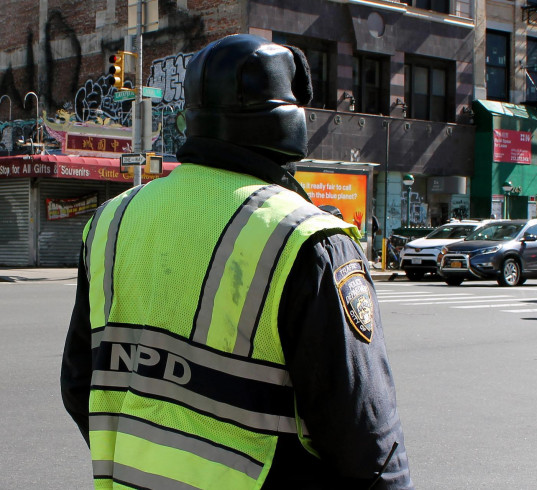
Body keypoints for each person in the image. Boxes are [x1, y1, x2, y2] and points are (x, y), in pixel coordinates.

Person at [60, 34, 412, 489]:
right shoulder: (306, 241)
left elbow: (78, 385)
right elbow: (369, 448)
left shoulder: (112, 220)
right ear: (290, 122)